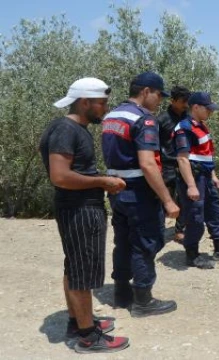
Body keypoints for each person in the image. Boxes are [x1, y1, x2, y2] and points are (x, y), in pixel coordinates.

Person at [39, 77, 129, 353]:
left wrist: (101, 180)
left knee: (75, 267)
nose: (105, 108)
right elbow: (60, 176)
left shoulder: (68, 127)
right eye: (101, 103)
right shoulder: (67, 130)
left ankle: (78, 322)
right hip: (79, 209)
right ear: (84, 102)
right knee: (81, 272)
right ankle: (88, 336)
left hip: (78, 206)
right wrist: (103, 182)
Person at [101, 71, 179, 317]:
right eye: (158, 94)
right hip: (139, 193)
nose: (160, 101)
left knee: (122, 241)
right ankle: (143, 301)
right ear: (146, 91)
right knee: (145, 244)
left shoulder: (111, 116)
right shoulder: (144, 119)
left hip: (117, 190)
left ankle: (122, 293)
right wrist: (167, 199)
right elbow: (147, 164)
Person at [173, 92, 219, 268]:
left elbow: (206, 154)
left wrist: (213, 175)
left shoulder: (202, 127)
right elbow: (182, 159)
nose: (210, 112)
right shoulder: (183, 128)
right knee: (195, 217)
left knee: (215, 213)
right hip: (194, 179)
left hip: (205, 177)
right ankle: (192, 254)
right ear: (195, 107)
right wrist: (191, 186)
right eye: (208, 109)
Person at [157, 86, 191, 243]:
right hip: (166, 165)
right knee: (162, 198)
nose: (186, 105)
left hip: (184, 164)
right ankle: (157, 230)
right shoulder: (162, 119)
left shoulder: (188, 119)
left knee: (184, 197)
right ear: (173, 100)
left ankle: (180, 231)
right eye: (183, 101)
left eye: (187, 101)